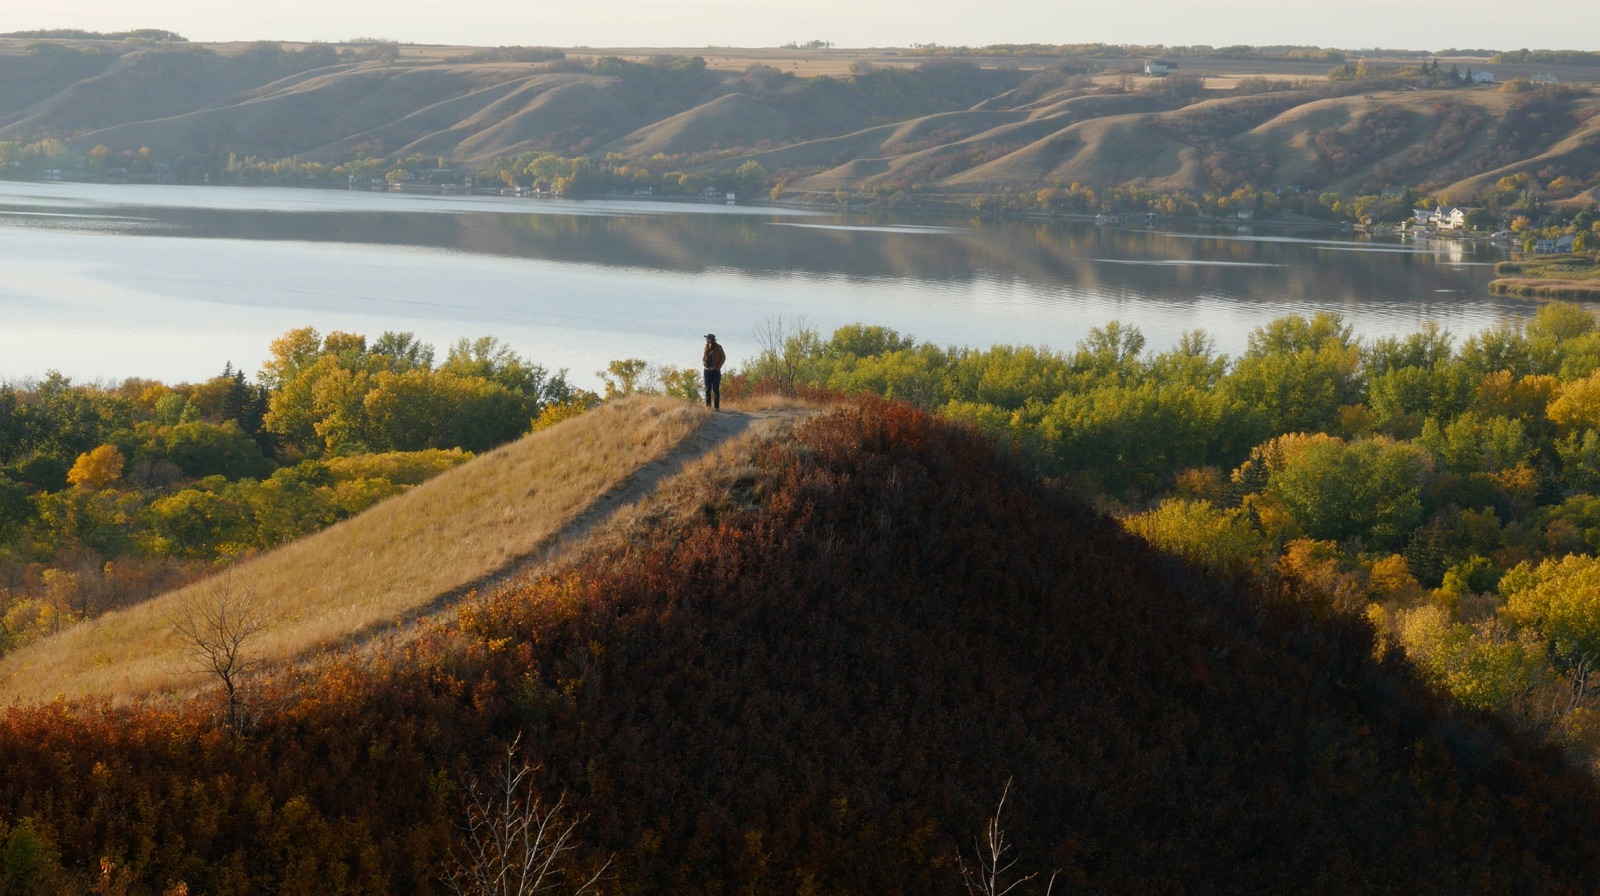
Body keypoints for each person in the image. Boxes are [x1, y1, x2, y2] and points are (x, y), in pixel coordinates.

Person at [702, 333, 726, 410]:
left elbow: (723, 358)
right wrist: (704, 363)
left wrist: (717, 367)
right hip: (707, 371)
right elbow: (703, 358)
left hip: (715, 372)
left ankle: (717, 407)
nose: (706, 340)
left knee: (716, 389)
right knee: (707, 388)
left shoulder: (719, 348)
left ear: (711, 340)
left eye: (707, 339)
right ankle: (708, 406)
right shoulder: (706, 347)